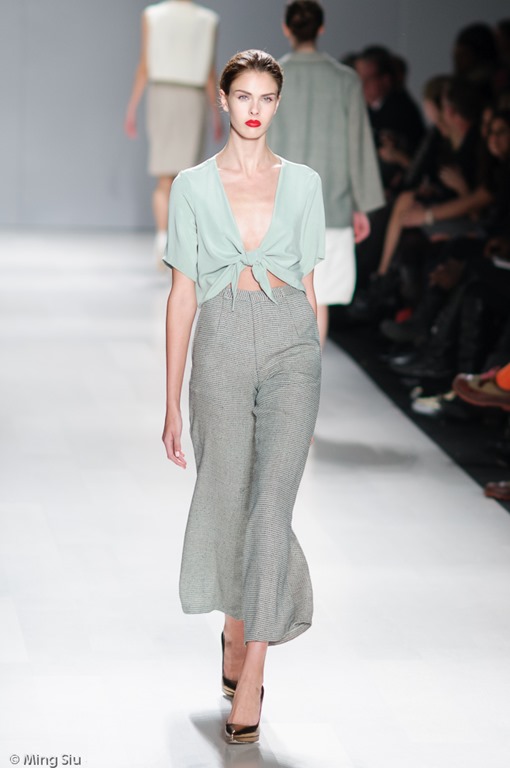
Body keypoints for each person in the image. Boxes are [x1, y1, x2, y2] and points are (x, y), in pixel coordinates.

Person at [161, 50, 325, 744]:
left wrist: (316, 375)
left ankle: (253, 666)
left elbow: (311, 289)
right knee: (229, 499)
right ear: (223, 101)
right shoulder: (192, 187)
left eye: (266, 98)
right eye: (243, 96)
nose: (254, 109)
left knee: (271, 508)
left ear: (277, 105)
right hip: (221, 344)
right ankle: (235, 622)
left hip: (292, 345)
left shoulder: (306, 184)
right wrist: (170, 401)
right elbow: (182, 294)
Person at [269, 0, 384, 344]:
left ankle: (282, 369)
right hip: (331, 203)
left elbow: (260, 138)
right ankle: (308, 371)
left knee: (280, 293)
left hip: (280, 203)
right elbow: (358, 143)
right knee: (319, 297)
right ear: (321, 28)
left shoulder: (272, 77)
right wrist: (361, 205)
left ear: (286, 28)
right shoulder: (345, 80)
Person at [125, 0, 222, 264]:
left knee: (164, 178)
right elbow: (209, 73)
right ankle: (183, 246)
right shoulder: (208, 19)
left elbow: (144, 66)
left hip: (161, 95)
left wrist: (132, 107)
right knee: (189, 178)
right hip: (193, 98)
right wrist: (216, 113)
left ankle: (162, 240)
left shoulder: (152, 15)